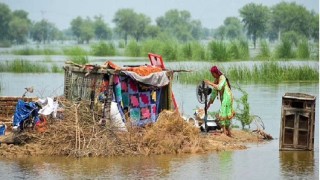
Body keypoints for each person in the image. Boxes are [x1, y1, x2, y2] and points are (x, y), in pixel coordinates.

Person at [204, 66, 235, 137]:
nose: (212, 75)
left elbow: (219, 87)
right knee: (226, 114)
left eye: (212, 73)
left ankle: (225, 131)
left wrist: (210, 83)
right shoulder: (216, 80)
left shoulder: (222, 77)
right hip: (224, 98)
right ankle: (228, 132)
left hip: (227, 97)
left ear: (215, 73)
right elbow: (214, 93)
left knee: (223, 113)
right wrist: (208, 104)